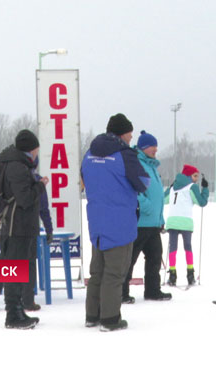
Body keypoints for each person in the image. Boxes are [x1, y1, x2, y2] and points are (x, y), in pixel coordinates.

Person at [81, 113, 149, 331]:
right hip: (120, 223)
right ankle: (110, 318)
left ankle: (92, 315)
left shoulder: (89, 154)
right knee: (115, 272)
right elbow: (143, 182)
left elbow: (83, 178)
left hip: (97, 221)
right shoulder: (125, 155)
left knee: (97, 271)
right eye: (129, 135)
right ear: (121, 134)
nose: (131, 139)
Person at [0, 129, 48, 329]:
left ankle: (17, 310)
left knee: (13, 269)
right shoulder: (18, 167)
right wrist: (40, 185)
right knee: (14, 270)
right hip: (17, 227)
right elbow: (25, 199)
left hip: (16, 226)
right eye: (36, 150)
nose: (36, 154)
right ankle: (13, 315)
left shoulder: (14, 164)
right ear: (29, 149)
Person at [122, 130, 172, 302]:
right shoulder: (137, 163)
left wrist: (160, 218)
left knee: (155, 257)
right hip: (140, 222)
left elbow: (157, 195)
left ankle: (152, 290)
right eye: (152, 147)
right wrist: (146, 206)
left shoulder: (152, 166)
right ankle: (122, 292)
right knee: (130, 259)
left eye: (156, 147)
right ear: (143, 147)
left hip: (153, 223)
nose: (155, 150)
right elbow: (133, 191)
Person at [164, 164, 209, 286]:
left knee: (172, 248)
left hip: (172, 221)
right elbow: (201, 202)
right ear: (189, 176)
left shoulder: (173, 187)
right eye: (195, 176)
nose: (196, 179)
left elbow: (163, 199)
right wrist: (205, 189)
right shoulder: (192, 187)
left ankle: (172, 276)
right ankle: (190, 275)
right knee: (188, 248)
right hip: (185, 222)